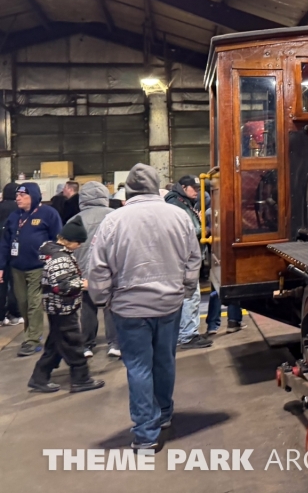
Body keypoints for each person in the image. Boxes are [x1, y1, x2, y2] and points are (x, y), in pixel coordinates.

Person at [87, 163, 201, 450]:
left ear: (128, 188)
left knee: (138, 368)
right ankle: (164, 413)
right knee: (165, 360)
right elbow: (193, 258)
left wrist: (103, 299)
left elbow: (97, 267)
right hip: (169, 304)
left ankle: (145, 434)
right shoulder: (179, 216)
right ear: (155, 186)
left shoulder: (113, 221)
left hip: (129, 308)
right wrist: (185, 289)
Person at [27, 219, 104, 394]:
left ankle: (39, 378)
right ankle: (81, 379)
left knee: (55, 345)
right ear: (69, 240)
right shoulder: (60, 258)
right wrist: (83, 284)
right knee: (73, 344)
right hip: (63, 308)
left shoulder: (55, 253)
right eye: (79, 242)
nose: (80, 245)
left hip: (56, 308)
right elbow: (62, 286)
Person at [0, 182, 63, 356]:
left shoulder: (48, 214)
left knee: (35, 302)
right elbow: (5, 242)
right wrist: (1, 266)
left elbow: (57, 239)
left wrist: (53, 262)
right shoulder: (14, 216)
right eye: (18, 195)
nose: (18, 198)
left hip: (38, 266)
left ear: (33, 197)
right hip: (17, 267)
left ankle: (32, 340)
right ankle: (31, 333)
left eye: (22, 195)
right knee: (23, 303)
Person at [70, 182, 118, 358]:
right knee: (110, 306)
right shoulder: (115, 216)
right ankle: (114, 343)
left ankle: (87, 345)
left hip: (83, 273)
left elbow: (68, 248)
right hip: (109, 271)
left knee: (87, 308)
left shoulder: (74, 220)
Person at [165, 176, 211, 351]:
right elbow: (191, 231)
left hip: (180, 258)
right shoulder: (178, 205)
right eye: (194, 188)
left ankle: (184, 333)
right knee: (191, 295)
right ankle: (187, 335)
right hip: (184, 259)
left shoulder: (178, 202)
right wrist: (203, 226)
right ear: (184, 187)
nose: (197, 192)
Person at [0, 182, 23, 326]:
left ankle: (1, 316)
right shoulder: (19, 209)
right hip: (16, 251)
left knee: (1, 284)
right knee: (16, 284)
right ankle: (15, 313)